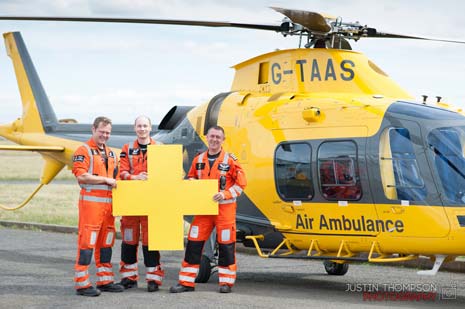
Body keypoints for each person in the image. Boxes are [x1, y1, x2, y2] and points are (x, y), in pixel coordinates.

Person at [170, 125, 247, 294]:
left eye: (218, 137)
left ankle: (226, 282)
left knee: (226, 246)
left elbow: (241, 184)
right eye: (212, 136)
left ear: (223, 139)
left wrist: (225, 194)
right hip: (203, 210)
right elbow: (190, 177)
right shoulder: (198, 160)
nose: (214, 140)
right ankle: (186, 282)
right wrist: (190, 183)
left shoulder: (230, 160)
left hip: (224, 211)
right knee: (193, 244)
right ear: (207, 137)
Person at [72, 116, 124, 297]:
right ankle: (82, 283)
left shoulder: (111, 153)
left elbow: (117, 179)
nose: (105, 135)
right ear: (93, 129)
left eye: (108, 132)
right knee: (87, 243)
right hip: (91, 207)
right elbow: (81, 177)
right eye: (102, 131)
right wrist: (105, 179)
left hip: (109, 210)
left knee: (106, 244)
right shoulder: (83, 150)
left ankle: (105, 280)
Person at [118, 116, 164, 292]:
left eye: (145, 126)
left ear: (150, 127)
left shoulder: (160, 148)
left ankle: (154, 280)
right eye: (139, 126)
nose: (142, 129)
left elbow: (168, 173)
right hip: (131, 203)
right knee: (129, 240)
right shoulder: (127, 149)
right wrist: (134, 177)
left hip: (152, 204)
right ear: (134, 128)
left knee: (151, 242)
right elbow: (121, 172)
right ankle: (129, 278)